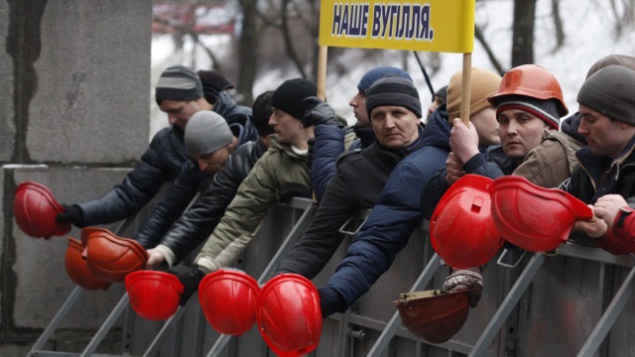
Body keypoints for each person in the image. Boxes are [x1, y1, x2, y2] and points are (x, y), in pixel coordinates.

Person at [317, 67, 503, 317]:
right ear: (468, 112)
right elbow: (378, 239)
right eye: (494, 108)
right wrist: (337, 293)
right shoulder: (418, 169)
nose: (505, 118)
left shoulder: (500, 153)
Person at [173, 78, 318, 304]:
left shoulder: (345, 148)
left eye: (278, 114)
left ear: (302, 119)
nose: (271, 121)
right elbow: (239, 219)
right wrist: (201, 271)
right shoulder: (271, 160)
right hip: (294, 285)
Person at [275, 76, 426, 279]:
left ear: (417, 116)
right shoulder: (355, 170)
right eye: (379, 116)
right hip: (372, 293)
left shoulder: (447, 158)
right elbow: (316, 241)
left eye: (398, 113)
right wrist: (282, 281)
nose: (389, 124)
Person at [56, 66, 215, 228]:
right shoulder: (165, 142)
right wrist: (81, 212)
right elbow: (132, 193)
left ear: (197, 99)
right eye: (166, 113)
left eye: (176, 111)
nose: (171, 121)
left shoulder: (240, 124)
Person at [142, 91, 275, 268]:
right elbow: (203, 211)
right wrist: (163, 249)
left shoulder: (314, 154)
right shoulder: (241, 160)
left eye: (207, 156)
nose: (202, 166)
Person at [133, 104, 260, 249]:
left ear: (230, 144)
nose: (202, 166)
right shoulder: (194, 168)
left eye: (207, 156)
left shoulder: (259, 155)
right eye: (196, 158)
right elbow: (166, 211)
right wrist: (138, 250)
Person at [308, 66, 414, 201]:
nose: (352, 102)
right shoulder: (356, 142)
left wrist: (329, 135)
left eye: (362, 95)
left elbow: (331, 196)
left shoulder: (400, 152)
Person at [564, 65, 635, 254]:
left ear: (624, 120)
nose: (581, 129)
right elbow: (626, 248)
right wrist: (601, 233)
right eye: (581, 117)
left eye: (591, 119)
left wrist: (623, 219)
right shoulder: (589, 163)